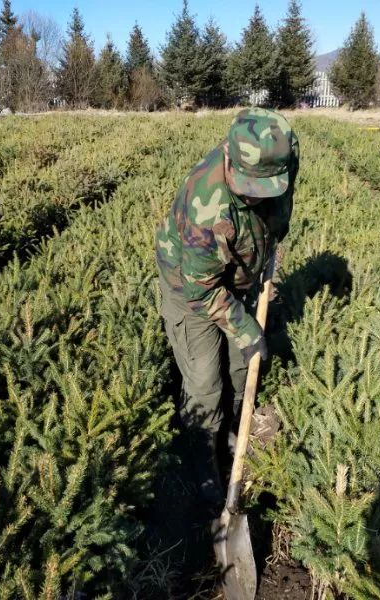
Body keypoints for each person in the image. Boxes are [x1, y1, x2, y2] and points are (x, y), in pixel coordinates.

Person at [155, 108, 299, 508]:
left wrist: (272, 239)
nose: (256, 195)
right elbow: (203, 292)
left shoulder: (281, 150)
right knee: (204, 382)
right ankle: (203, 456)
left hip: (239, 275)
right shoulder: (207, 203)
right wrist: (248, 328)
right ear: (231, 160)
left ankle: (231, 431)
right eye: (249, 187)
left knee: (240, 367)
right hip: (190, 288)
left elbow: (282, 203)